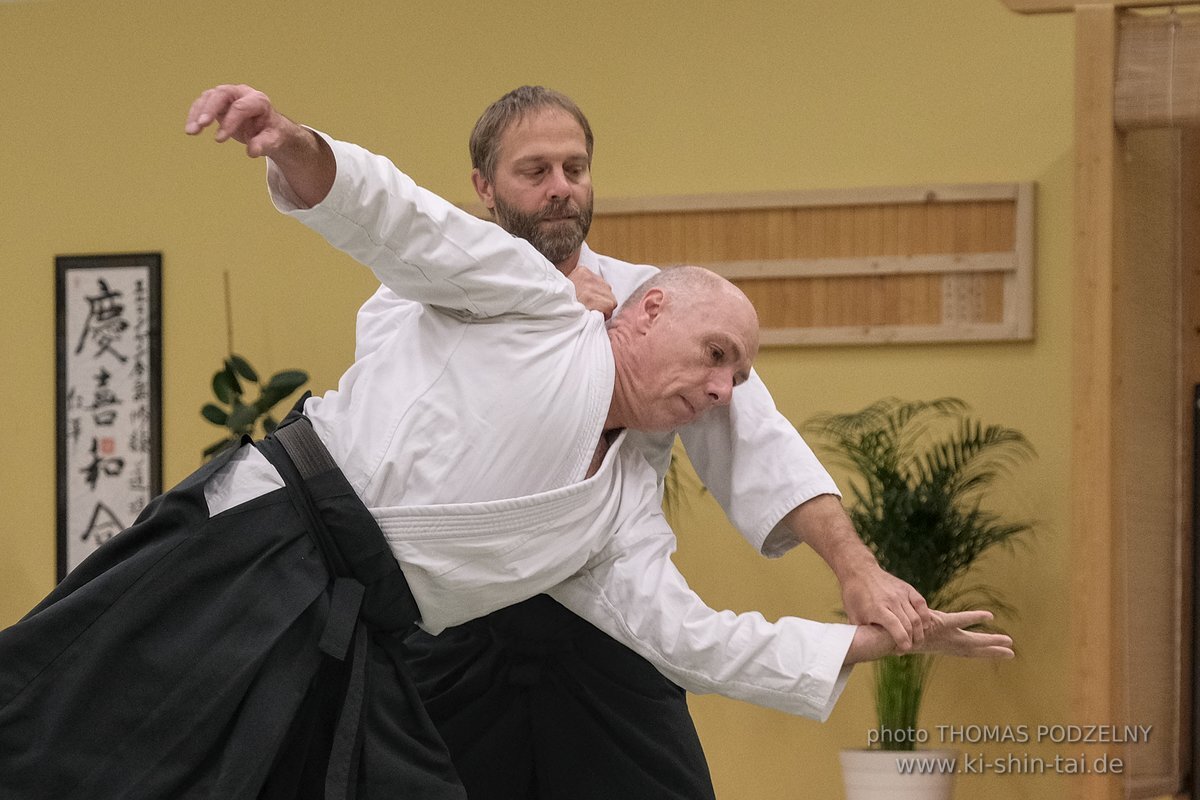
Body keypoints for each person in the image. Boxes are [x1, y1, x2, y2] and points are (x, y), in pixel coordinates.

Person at [0, 84, 1011, 800]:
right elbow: (400, 224)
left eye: (577, 166)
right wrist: (296, 143)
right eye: (537, 168)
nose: (720, 390)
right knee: (73, 723)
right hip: (263, 543)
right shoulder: (522, 295)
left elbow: (692, 627)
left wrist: (870, 623)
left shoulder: (618, 507)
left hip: (383, 624)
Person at [333, 85, 941, 799]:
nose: (561, 189)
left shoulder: (652, 301)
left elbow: (758, 440)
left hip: (613, 616)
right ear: (484, 187)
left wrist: (855, 567)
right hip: (456, 622)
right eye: (536, 172)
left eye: (576, 168)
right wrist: (557, 310)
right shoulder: (411, 297)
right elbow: (406, 418)